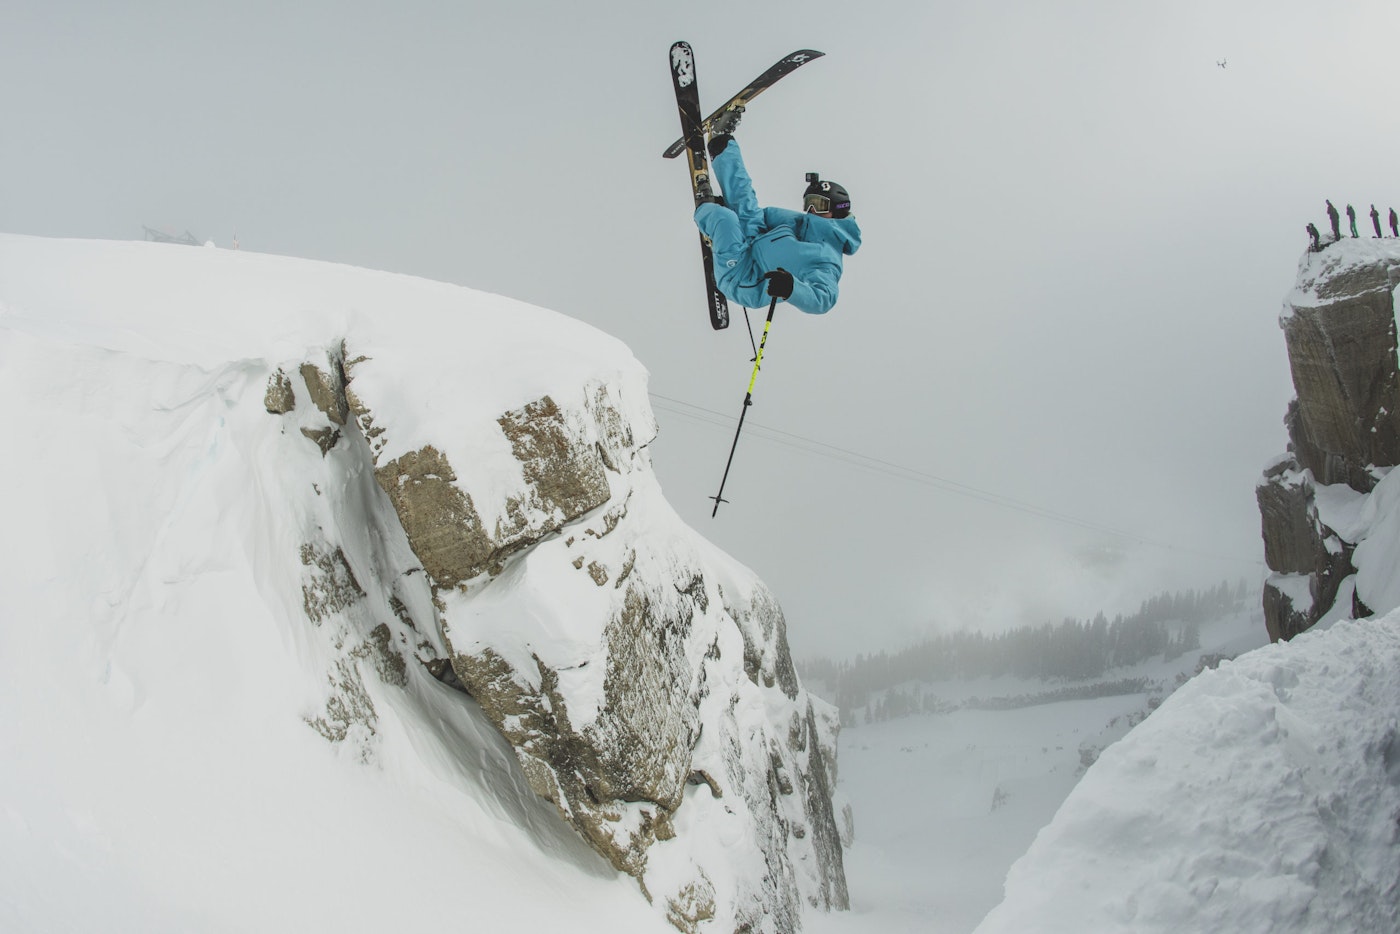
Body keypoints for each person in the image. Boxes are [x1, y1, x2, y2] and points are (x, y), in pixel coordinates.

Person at [693, 107, 861, 314]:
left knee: (724, 218)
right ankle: (721, 143)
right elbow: (760, 215)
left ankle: (705, 208)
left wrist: (791, 288)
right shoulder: (802, 222)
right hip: (751, 243)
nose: (811, 210)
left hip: (745, 278)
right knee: (745, 201)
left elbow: (824, 299)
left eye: (819, 205)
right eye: (808, 202)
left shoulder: (827, 260)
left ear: (837, 212)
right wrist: (737, 207)